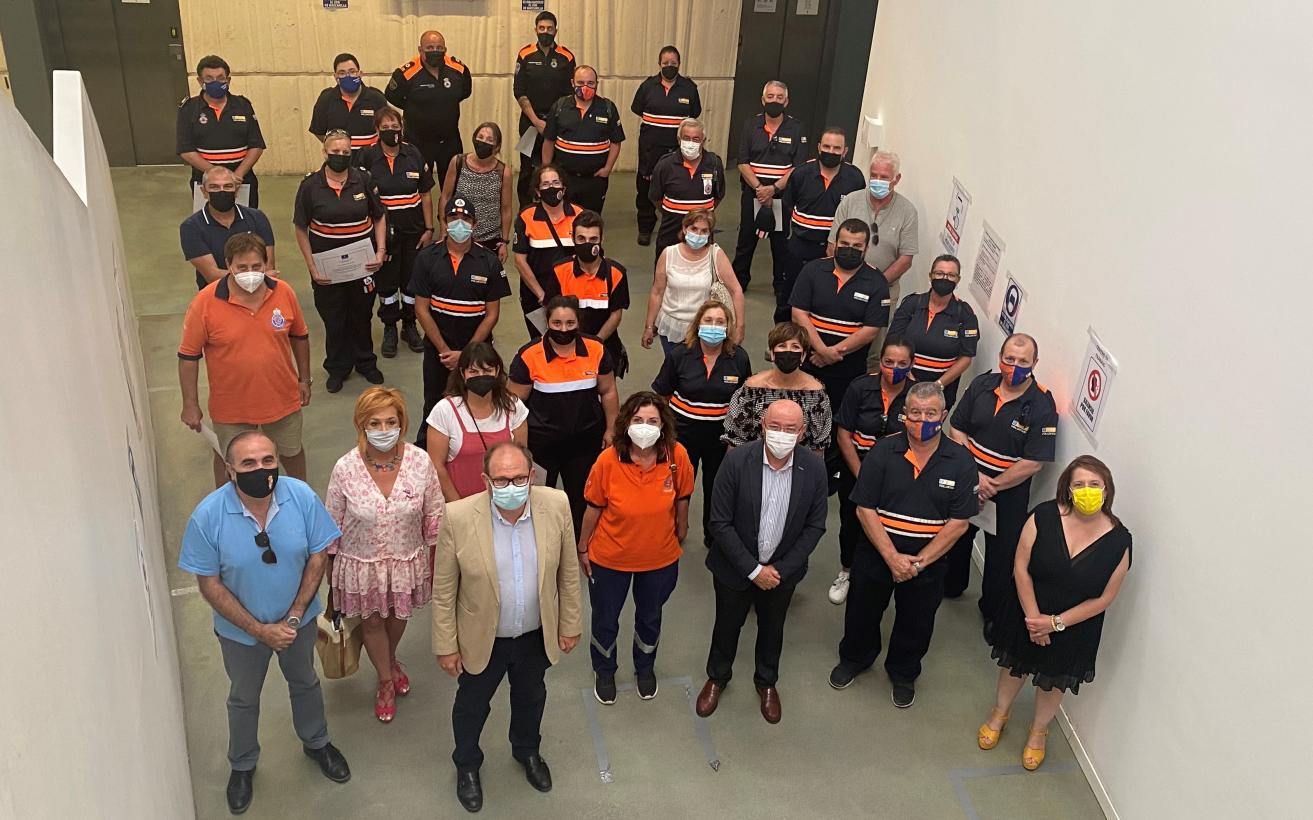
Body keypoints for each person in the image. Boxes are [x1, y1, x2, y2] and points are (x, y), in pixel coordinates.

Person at [178, 431, 350, 815]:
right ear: (230, 470)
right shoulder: (207, 517)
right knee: (243, 696)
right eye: (249, 463)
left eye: (268, 460)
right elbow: (209, 584)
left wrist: (294, 615)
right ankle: (242, 764)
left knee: (305, 681)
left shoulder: (300, 497)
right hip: (240, 634)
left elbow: (317, 556)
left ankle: (317, 741)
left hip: (297, 624)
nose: (262, 469)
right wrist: (258, 630)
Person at [433, 441, 583, 813]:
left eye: (518, 478)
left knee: (531, 697)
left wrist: (570, 623)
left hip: (535, 634)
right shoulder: (458, 516)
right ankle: (467, 764)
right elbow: (444, 588)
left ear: (532, 476)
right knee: (471, 706)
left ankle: (527, 750)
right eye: (501, 480)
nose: (510, 487)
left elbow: (568, 572)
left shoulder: (556, 505)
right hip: (483, 637)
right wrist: (446, 645)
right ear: (485, 480)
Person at [829, 382, 978, 708]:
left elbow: (959, 524)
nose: (922, 420)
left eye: (930, 413)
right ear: (904, 415)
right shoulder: (883, 451)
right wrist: (891, 557)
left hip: (928, 562)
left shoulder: (961, 461)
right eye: (915, 413)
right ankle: (855, 658)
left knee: (917, 620)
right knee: (862, 611)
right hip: (876, 552)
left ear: (943, 415)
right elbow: (864, 509)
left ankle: (903, 671)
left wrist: (919, 562)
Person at [978, 456, 1131, 771]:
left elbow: (1105, 598)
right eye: (1079, 484)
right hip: (1027, 611)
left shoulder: (1120, 541)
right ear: (1068, 488)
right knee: (1014, 666)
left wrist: (1054, 623)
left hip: (1074, 625)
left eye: (1095, 484)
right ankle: (999, 713)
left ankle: (1038, 731)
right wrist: (1035, 619)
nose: (1087, 490)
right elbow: (1020, 566)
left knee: (1053, 681)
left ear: (1107, 490)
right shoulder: (1044, 515)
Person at [695, 400, 827, 724]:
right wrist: (754, 570)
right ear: (763, 427)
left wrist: (780, 570)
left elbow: (814, 527)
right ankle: (717, 677)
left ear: (803, 432)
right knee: (726, 626)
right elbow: (719, 522)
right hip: (734, 569)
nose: (782, 434)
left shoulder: (814, 468)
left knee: (772, 628)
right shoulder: (737, 461)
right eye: (776, 426)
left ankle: (766, 682)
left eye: (791, 429)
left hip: (782, 573)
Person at [326, 388, 444, 723]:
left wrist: (438, 560)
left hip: (406, 561)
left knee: (397, 616)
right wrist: (331, 581)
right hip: (361, 565)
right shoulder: (345, 468)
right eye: (374, 423)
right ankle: (385, 680)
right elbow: (331, 524)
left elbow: (434, 512)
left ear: (402, 423)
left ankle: (388, 660)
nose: (383, 429)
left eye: (391, 422)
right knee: (373, 621)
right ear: (361, 425)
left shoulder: (420, 462)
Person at [578, 392, 694, 704]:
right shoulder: (607, 460)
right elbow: (593, 507)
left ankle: (645, 667)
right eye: (638, 420)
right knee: (605, 618)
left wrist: (681, 532)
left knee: (650, 616)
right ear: (625, 423)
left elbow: (683, 497)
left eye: (653, 421)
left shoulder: (676, 456)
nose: (645, 427)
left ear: (663, 425)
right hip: (610, 559)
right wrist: (582, 547)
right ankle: (604, 670)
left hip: (659, 559)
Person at [178, 234, 311, 487]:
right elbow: (188, 356)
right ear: (228, 265)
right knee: (227, 458)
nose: (250, 273)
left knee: (292, 451)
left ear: (266, 264)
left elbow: (300, 336)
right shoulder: (205, 303)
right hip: (231, 404)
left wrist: (305, 379)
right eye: (242, 267)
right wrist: (190, 404)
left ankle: (302, 497)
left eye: (256, 266)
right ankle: (226, 502)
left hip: (282, 396)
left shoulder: (284, 292)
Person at [944, 333, 1059, 611]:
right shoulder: (982, 385)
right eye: (1009, 359)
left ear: (1035, 363)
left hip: (1008, 495)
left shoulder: (1043, 406)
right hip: (968, 481)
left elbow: (1034, 462)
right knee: (957, 537)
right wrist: (975, 476)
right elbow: (956, 428)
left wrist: (991, 486)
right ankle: (950, 586)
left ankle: (991, 611)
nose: (1014, 366)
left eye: (1023, 361)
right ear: (1000, 358)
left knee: (1001, 556)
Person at [508, 295, 620, 536]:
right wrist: (519, 446)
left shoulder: (596, 350)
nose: (563, 329)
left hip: (584, 444)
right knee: (539, 500)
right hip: (541, 447)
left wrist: (611, 429)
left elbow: (608, 391)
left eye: (570, 323)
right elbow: (513, 404)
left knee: (582, 499)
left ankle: (580, 544)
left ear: (578, 322)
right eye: (557, 323)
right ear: (547, 322)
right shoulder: (529, 355)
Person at [409, 197, 511, 450]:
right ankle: (430, 452)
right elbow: (421, 309)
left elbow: (492, 314)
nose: (459, 223)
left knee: (479, 402)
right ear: (444, 222)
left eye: (465, 219)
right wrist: (445, 351)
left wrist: (466, 355)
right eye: (453, 218)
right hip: (438, 352)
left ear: (474, 224)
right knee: (435, 403)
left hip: (478, 353)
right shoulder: (426, 258)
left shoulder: (489, 261)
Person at [293, 129, 387, 394]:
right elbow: (301, 228)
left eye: (346, 152)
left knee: (362, 315)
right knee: (334, 319)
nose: (341, 156)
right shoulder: (310, 186)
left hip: (362, 267)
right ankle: (337, 367)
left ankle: (366, 362)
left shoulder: (363, 180)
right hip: (327, 269)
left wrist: (380, 251)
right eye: (335, 152)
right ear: (324, 152)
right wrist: (312, 267)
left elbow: (379, 216)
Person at [652, 300, 752, 548]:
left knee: (717, 488)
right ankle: (673, 529)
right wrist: (665, 432)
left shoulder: (738, 358)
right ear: (698, 324)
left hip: (720, 438)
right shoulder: (680, 355)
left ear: (728, 327)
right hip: (682, 436)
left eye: (720, 322)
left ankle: (714, 534)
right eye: (708, 320)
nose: (714, 326)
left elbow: (744, 400)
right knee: (676, 485)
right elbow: (662, 395)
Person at [830, 336, 915, 605]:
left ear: (911, 365)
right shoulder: (860, 387)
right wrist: (862, 476)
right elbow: (844, 434)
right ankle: (846, 571)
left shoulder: (916, 396)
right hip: (856, 470)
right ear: (880, 362)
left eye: (902, 363)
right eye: (888, 362)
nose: (894, 368)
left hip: (897, 477)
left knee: (889, 525)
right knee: (851, 523)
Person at [790, 218, 892, 429]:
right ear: (835, 243)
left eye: (856, 246)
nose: (849, 249)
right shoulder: (813, 270)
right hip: (809, 363)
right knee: (800, 419)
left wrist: (832, 353)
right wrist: (821, 350)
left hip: (849, 371)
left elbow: (871, 330)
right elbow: (798, 314)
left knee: (839, 423)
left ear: (866, 248)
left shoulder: (877, 282)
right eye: (844, 243)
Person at [829, 150, 919, 362]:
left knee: (874, 351)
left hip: (883, 290)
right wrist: (850, 280)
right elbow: (832, 245)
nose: (877, 181)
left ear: (896, 179)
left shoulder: (907, 211)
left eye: (884, 177)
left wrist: (875, 284)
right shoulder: (851, 201)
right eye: (874, 175)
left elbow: (905, 259)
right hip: (843, 283)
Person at [358, 107, 435, 358]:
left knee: (411, 281)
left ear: (402, 128)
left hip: (414, 232)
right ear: (376, 130)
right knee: (387, 283)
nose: (391, 131)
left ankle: (409, 325)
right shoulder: (367, 157)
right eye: (385, 127)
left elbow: (425, 194)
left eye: (395, 126)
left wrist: (429, 229)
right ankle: (390, 326)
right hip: (384, 235)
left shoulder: (413, 154)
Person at [780, 126, 865, 323]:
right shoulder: (801, 173)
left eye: (836, 148)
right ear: (818, 147)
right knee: (789, 295)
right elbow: (787, 206)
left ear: (845, 151)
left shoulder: (855, 178)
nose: (831, 152)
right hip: (800, 247)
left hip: (834, 250)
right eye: (826, 147)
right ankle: (783, 333)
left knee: (824, 296)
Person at [426, 342, 529, 501]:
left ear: (497, 371)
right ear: (462, 373)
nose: (481, 376)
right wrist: (460, 507)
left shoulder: (514, 406)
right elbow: (436, 466)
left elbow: (522, 458)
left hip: (506, 502)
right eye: (473, 371)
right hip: (459, 504)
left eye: (487, 371)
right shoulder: (444, 411)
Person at [732, 80, 807, 292]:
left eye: (779, 97)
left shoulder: (796, 128)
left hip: (781, 196)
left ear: (786, 102)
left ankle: (780, 284)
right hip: (753, 192)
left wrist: (773, 189)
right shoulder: (750, 124)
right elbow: (742, 162)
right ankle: (739, 281)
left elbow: (798, 167)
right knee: (746, 240)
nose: (775, 100)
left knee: (780, 243)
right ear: (763, 100)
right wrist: (760, 189)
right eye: (771, 96)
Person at [642, 210, 745, 354]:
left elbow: (736, 290)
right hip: (671, 327)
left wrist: (740, 327)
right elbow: (657, 292)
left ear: (709, 233)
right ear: (684, 229)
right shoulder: (668, 254)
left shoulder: (716, 254)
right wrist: (648, 327)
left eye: (704, 231)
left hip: (704, 330)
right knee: (674, 366)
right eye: (694, 229)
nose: (698, 234)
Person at [541, 210, 630, 375]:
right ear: (573, 239)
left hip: (604, 347)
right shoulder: (560, 270)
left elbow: (616, 315)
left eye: (593, 239)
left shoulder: (616, 273)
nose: (587, 244)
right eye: (581, 239)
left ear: (602, 240)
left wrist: (593, 345)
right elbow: (551, 311)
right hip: (565, 348)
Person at [631, 47, 703, 245]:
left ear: (679, 64)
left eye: (673, 63)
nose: (669, 66)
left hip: (678, 151)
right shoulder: (647, 86)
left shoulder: (689, 88)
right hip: (650, 150)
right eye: (665, 63)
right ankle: (645, 227)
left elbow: (695, 113)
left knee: (678, 187)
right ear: (659, 64)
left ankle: (679, 226)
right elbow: (636, 108)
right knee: (645, 190)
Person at [723, 322, 832, 453]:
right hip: (755, 458)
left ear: (803, 356)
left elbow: (819, 445)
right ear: (772, 354)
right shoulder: (752, 388)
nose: (788, 351)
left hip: (800, 460)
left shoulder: (816, 393)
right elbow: (735, 439)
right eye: (782, 346)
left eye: (795, 347)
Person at [887, 254, 978, 407]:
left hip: (940, 392)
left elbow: (966, 357)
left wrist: (937, 386)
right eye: (939, 273)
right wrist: (906, 375)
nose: (945, 278)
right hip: (901, 382)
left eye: (951, 275)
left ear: (958, 280)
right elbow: (893, 340)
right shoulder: (912, 304)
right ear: (930, 276)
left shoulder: (965, 315)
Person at [176, 55, 265, 207]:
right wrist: (218, 175)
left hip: (241, 180)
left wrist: (237, 175)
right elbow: (186, 150)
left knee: (246, 220)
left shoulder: (243, 105)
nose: (215, 82)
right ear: (200, 81)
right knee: (209, 220)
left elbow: (256, 145)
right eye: (209, 79)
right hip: (206, 182)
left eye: (220, 78)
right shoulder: (189, 109)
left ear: (228, 80)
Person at [385, 30, 473, 186]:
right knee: (418, 185)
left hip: (449, 140)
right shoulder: (405, 73)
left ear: (445, 49)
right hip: (417, 141)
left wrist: (441, 104)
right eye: (430, 48)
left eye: (439, 48)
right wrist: (416, 109)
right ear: (420, 50)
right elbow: (391, 96)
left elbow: (465, 92)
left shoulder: (459, 69)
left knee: (453, 185)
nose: (435, 51)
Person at [541, 65, 625, 214]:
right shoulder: (560, 106)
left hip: (595, 180)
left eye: (590, 83)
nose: (585, 87)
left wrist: (607, 169)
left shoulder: (608, 108)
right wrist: (547, 170)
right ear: (572, 83)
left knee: (591, 219)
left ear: (597, 84)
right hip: (565, 178)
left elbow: (616, 142)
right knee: (563, 218)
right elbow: (549, 141)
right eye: (580, 83)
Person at [513, 10, 577, 206]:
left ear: (556, 31)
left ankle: (556, 206)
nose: (545, 32)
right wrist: (536, 121)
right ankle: (526, 209)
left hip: (558, 124)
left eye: (549, 28)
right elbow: (519, 91)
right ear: (535, 30)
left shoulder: (567, 56)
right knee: (527, 169)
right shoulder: (525, 54)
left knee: (556, 169)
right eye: (542, 28)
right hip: (530, 123)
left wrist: (552, 123)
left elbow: (570, 94)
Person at [512, 164, 582, 337]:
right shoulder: (526, 216)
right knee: (540, 343)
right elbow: (520, 261)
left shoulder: (579, 215)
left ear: (564, 187)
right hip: (536, 298)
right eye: (545, 184)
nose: (551, 188)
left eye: (556, 183)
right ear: (537, 191)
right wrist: (542, 296)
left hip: (572, 298)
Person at [179, 166, 276, 289]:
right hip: (217, 293)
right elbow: (212, 275)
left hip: (259, 292)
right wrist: (254, 277)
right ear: (204, 192)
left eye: (228, 186)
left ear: (236, 190)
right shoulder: (191, 227)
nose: (222, 191)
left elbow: (269, 267)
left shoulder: (257, 217)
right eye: (214, 187)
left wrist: (252, 277)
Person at [647, 117, 725, 257]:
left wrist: (702, 214)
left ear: (703, 141)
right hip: (670, 232)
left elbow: (718, 196)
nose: (690, 143)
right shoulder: (665, 164)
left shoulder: (714, 163)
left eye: (696, 139)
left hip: (702, 235)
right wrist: (673, 212)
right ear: (679, 140)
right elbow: (655, 197)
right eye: (686, 138)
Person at [440, 122, 513, 259]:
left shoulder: (504, 171)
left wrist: (504, 242)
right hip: (458, 236)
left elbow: (506, 209)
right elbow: (445, 196)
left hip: (490, 240)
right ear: (474, 138)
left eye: (489, 140)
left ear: (497, 146)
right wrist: (444, 229)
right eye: (480, 137)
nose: (483, 142)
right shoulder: (458, 162)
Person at [308, 53, 389, 164]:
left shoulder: (376, 98)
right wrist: (336, 146)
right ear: (335, 77)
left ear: (360, 74)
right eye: (342, 73)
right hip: (339, 164)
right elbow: (318, 131)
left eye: (352, 71)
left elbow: (386, 129)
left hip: (371, 163)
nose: (348, 76)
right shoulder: (326, 99)